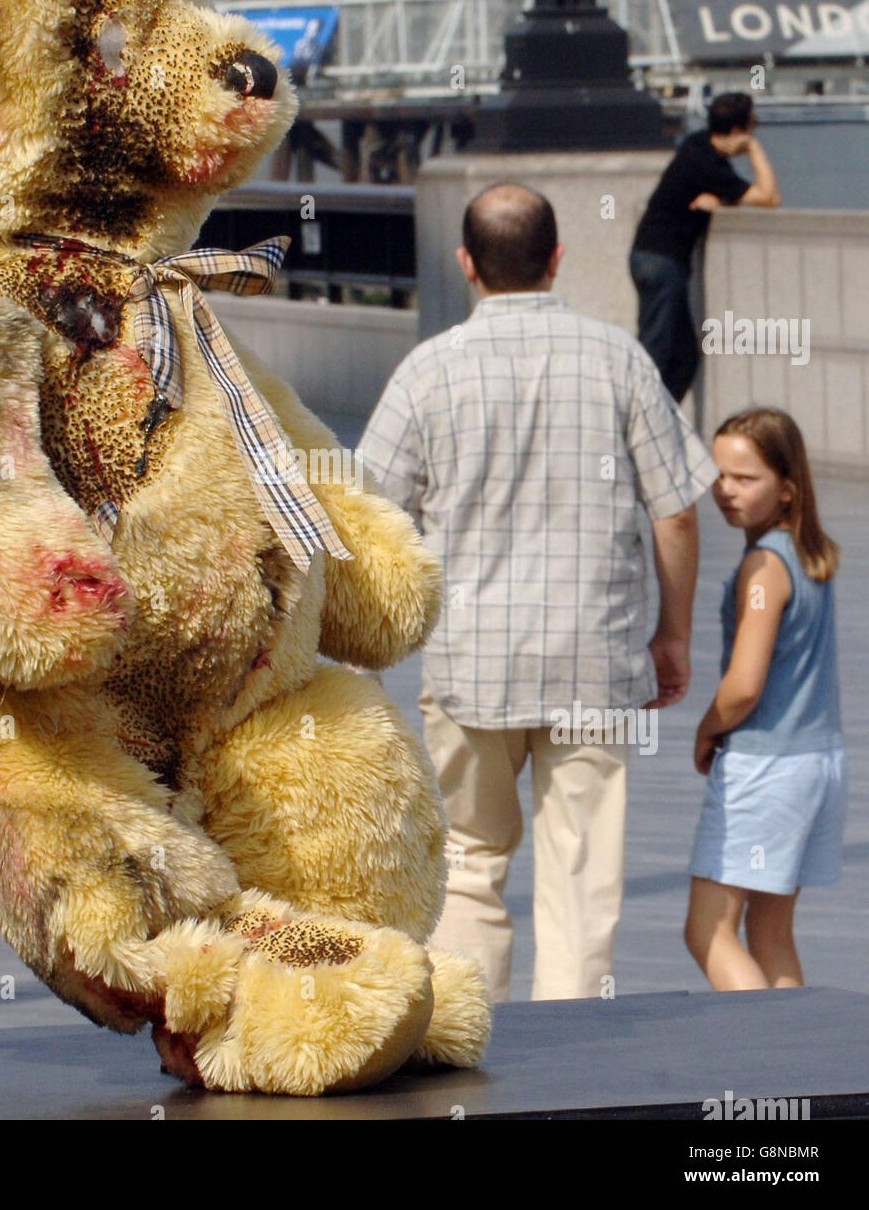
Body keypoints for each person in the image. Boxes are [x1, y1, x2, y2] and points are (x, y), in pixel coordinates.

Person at [360, 182, 719, 1003]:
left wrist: (376, 651)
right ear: (557, 259)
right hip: (594, 657)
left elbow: (366, 514)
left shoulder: (427, 372)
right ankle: (576, 1057)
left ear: (465, 266)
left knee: (470, 861)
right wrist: (674, 634)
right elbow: (676, 513)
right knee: (582, 871)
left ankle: (470, 1040)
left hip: (468, 663)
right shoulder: (619, 360)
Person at [685, 408, 844, 992]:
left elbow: (745, 683)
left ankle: (759, 1063)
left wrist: (707, 729)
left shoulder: (764, 566)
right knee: (771, 932)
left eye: (745, 478)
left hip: (764, 765)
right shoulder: (810, 558)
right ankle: (799, 1066)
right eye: (720, 474)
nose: (725, 490)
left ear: (787, 489)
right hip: (818, 762)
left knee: (708, 929)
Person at [630, 92, 781, 403]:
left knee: (684, 357)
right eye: (753, 123)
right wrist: (753, 147)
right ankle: (629, 427)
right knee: (654, 354)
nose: (757, 127)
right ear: (740, 129)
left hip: (647, 257)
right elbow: (770, 198)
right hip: (664, 264)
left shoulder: (695, 145)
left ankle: (660, 420)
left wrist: (722, 200)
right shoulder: (711, 168)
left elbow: (708, 188)